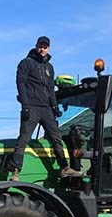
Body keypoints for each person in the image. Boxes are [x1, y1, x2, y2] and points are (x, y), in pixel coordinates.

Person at [10, 36, 81, 181]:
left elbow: (50, 89)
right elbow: (20, 84)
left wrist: (54, 106)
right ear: (36, 46)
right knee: (24, 138)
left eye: (45, 47)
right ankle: (15, 171)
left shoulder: (49, 67)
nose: (42, 49)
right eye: (40, 46)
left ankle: (64, 168)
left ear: (48, 48)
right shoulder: (26, 63)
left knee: (56, 138)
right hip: (32, 107)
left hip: (46, 109)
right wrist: (25, 105)